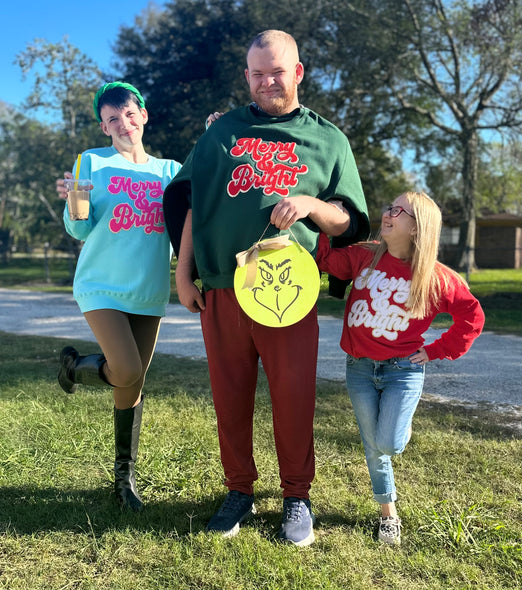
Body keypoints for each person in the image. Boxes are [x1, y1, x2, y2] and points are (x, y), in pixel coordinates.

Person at [163, 30, 370, 546]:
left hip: (289, 291)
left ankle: (297, 496)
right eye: (256, 74)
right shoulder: (223, 132)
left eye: (276, 72)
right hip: (225, 289)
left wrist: (311, 205)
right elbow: (191, 201)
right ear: (246, 76)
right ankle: (238, 491)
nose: (266, 82)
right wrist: (182, 273)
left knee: (293, 397)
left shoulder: (329, 139)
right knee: (229, 398)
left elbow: (348, 221)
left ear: (298, 72)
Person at [315, 191, 485, 545]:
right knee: (373, 446)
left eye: (397, 210)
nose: (387, 213)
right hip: (359, 368)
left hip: (402, 370)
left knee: (389, 442)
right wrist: (322, 217)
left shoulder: (435, 278)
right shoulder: (364, 255)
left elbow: (472, 316)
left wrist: (438, 350)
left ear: (416, 227)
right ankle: (388, 514)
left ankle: (398, 426)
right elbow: (325, 260)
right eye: (388, 207)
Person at [56, 81, 181, 512]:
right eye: (112, 119)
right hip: (100, 285)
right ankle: (75, 368)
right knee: (125, 369)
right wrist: (74, 197)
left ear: (143, 115)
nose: (122, 123)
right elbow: (79, 227)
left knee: (132, 383)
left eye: (129, 114)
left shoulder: (171, 171)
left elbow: (191, 218)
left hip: (148, 291)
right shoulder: (92, 161)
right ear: (104, 127)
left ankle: (123, 478)